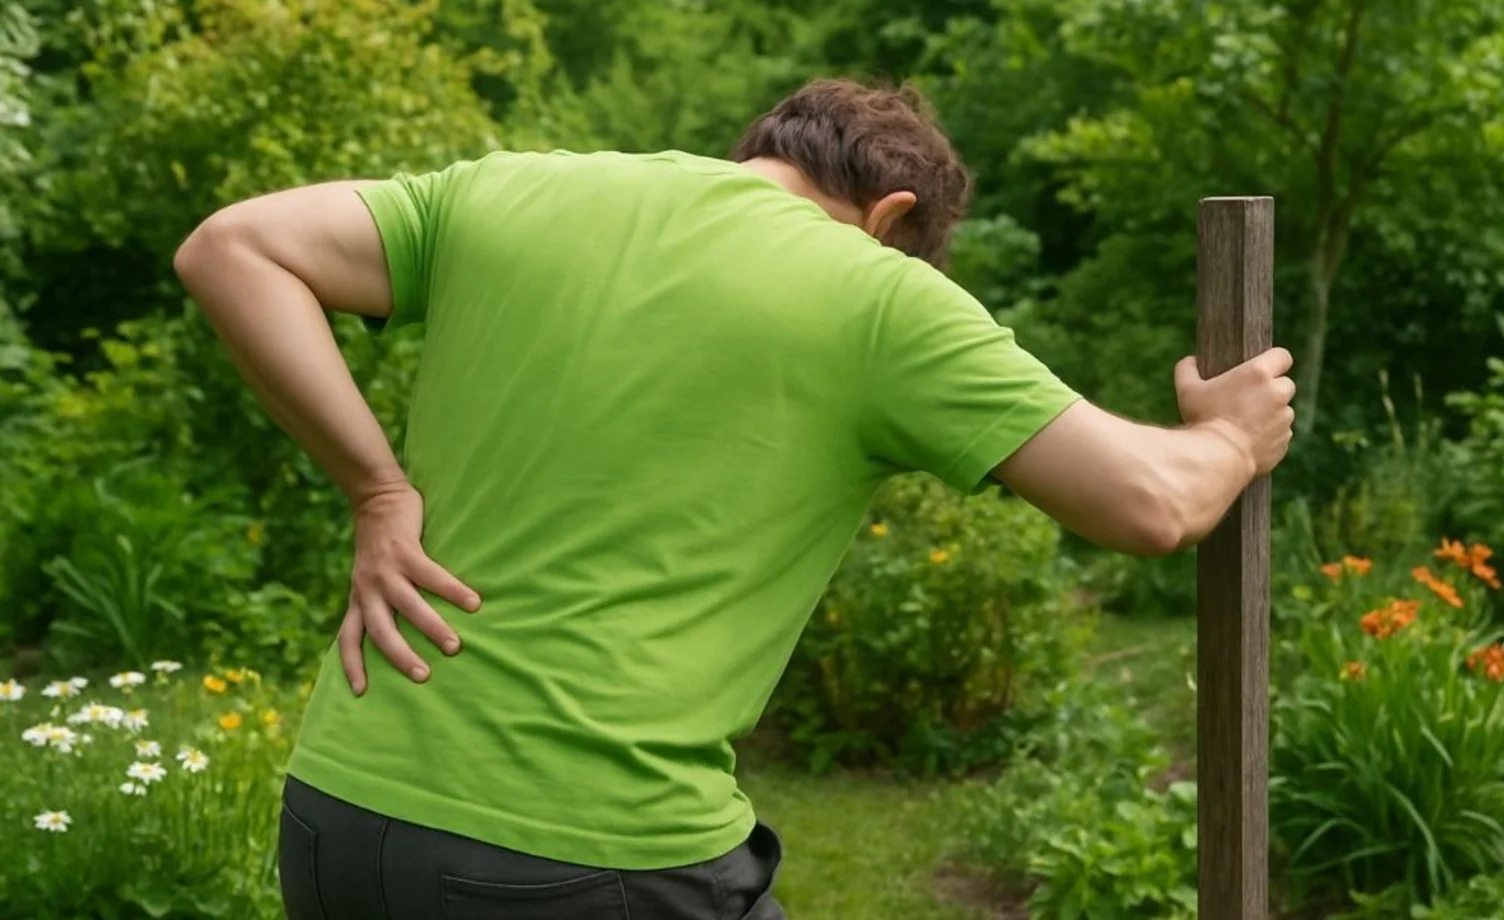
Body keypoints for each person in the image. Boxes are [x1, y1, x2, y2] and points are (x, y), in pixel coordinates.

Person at [174, 78, 1293, 920]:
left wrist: (378, 490)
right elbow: (1148, 500)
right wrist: (1234, 435)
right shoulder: (877, 293)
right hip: (588, 852)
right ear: (894, 215)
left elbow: (235, 247)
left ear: (751, 157)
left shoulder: (515, 187)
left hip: (341, 814)